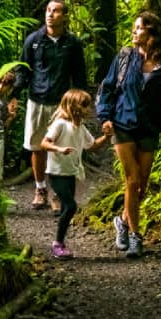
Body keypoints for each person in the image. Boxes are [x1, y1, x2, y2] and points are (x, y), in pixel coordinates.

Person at [96, 12, 161, 259]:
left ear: (152, 32)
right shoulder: (125, 57)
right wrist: (104, 116)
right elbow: (107, 87)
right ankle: (136, 237)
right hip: (123, 122)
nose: (134, 32)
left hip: (150, 126)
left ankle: (122, 221)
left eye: (138, 28)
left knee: (143, 184)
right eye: (133, 27)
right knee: (132, 179)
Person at [12, 0, 88, 213]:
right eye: (48, 10)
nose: (50, 14)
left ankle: (58, 193)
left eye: (55, 11)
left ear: (65, 16)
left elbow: (79, 75)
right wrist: (15, 94)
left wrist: (80, 104)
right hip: (37, 100)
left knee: (58, 149)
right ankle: (40, 189)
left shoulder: (72, 43)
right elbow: (23, 70)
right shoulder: (33, 40)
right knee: (37, 147)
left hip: (61, 104)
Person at [39, 89, 110, 259]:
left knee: (66, 207)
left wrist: (107, 137)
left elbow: (91, 145)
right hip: (56, 173)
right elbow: (44, 143)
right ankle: (57, 244)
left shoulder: (80, 127)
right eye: (85, 105)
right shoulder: (60, 124)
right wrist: (59, 149)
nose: (89, 109)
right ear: (74, 106)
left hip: (70, 172)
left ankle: (61, 243)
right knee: (71, 206)